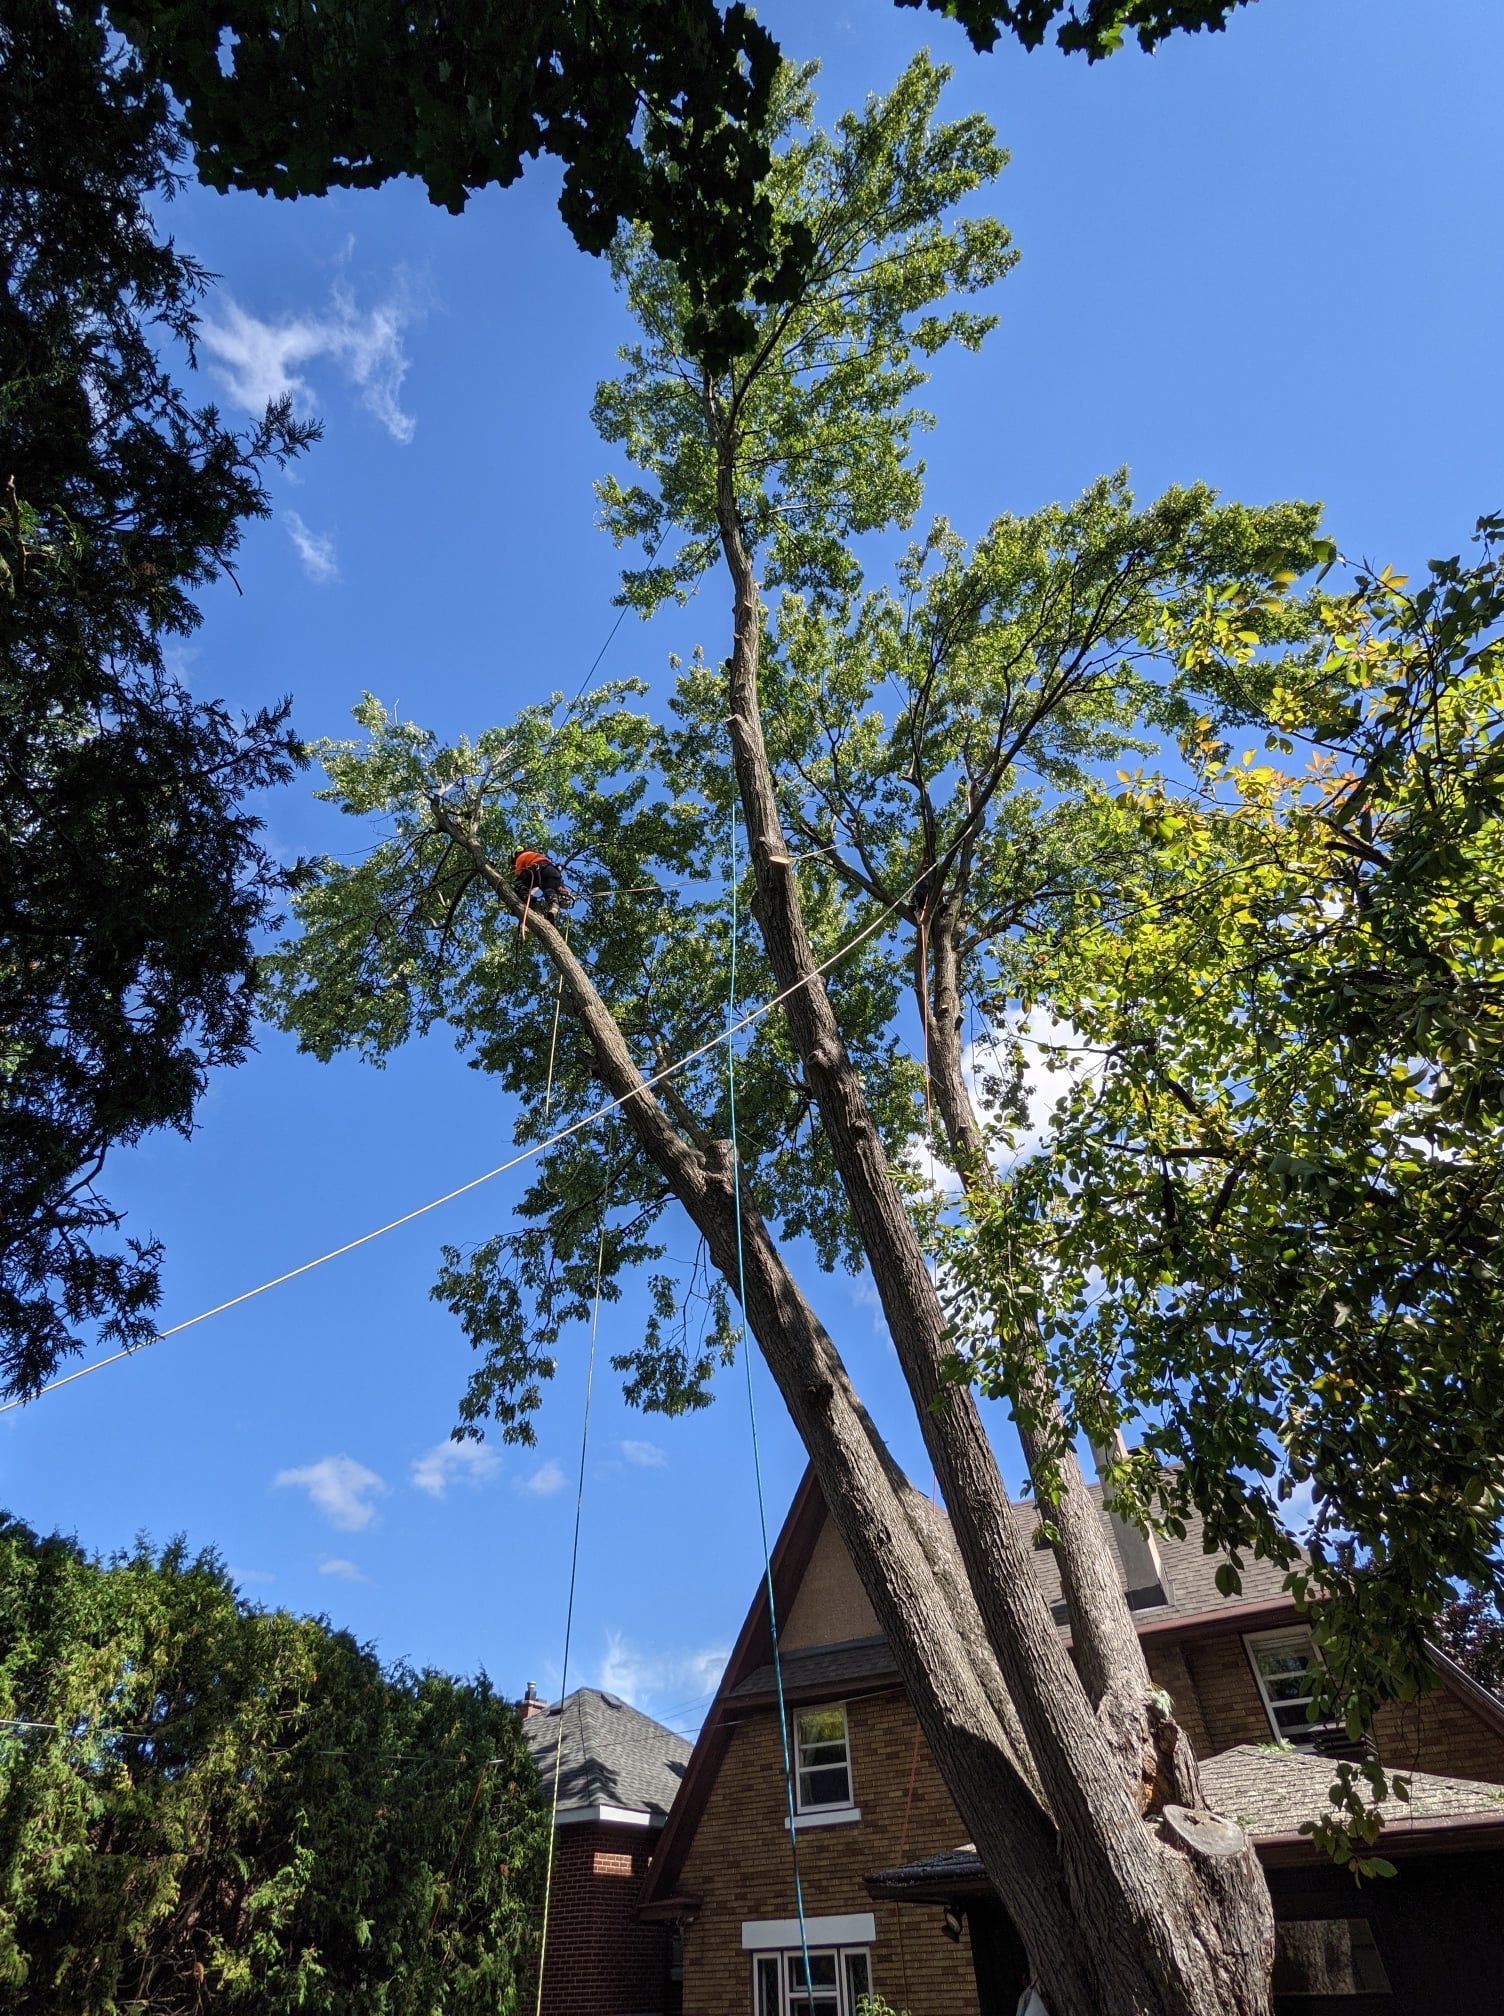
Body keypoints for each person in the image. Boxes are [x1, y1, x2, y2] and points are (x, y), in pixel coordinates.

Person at [512, 848, 572, 920]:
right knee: (550, 890)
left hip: (535, 870)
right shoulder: (537, 855)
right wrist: (560, 887)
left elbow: (519, 874)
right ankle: (554, 906)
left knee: (517, 885)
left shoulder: (521, 857)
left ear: (517, 854)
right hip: (551, 870)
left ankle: (530, 900)